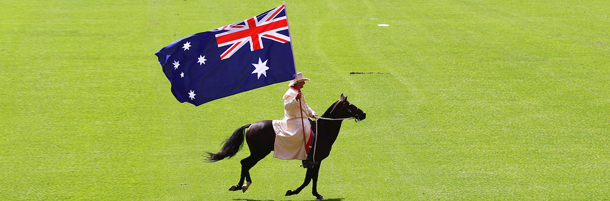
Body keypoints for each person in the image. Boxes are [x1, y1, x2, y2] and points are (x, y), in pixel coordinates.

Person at [273, 72, 318, 165]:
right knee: (310, 134)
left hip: (302, 118)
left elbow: (305, 106)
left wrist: (312, 113)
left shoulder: (298, 92)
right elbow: (287, 107)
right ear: (297, 82)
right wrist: (295, 99)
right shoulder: (290, 93)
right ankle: (306, 158)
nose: (304, 83)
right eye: (302, 81)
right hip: (294, 120)